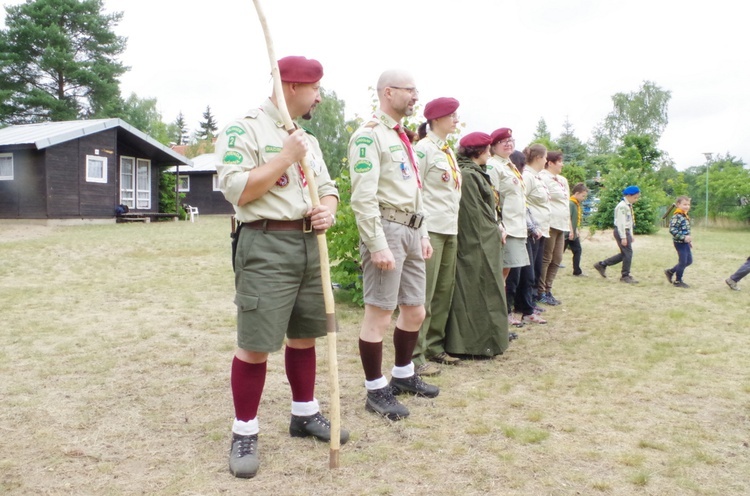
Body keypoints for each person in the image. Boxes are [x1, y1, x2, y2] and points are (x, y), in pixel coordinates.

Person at [215, 55, 348, 479]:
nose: (319, 97)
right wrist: (285, 158)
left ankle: (304, 413)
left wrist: (327, 209)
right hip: (265, 244)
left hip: (310, 244)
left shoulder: (306, 136)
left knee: (305, 334)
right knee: (255, 343)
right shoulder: (244, 128)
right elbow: (237, 190)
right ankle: (244, 431)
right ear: (291, 86)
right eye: (314, 89)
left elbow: (328, 189)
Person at [348, 69, 438, 421]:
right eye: (410, 90)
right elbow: (363, 197)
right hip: (387, 229)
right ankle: (375, 389)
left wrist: (425, 233)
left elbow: (414, 190)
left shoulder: (403, 137)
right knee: (380, 313)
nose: (416, 97)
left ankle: (403, 375)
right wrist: (376, 243)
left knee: (415, 310)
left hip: (413, 230)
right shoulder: (369, 136)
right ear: (388, 92)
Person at [444, 132, 510, 357]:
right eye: (488, 149)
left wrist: (497, 226)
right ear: (479, 151)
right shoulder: (470, 175)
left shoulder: (476, 173)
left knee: (484, 288)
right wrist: (492, 233)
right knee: (475, 290)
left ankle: (487, 339)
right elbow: (474, 216)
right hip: (476, 243)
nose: (490, 153)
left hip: (483, 239)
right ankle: (474, 343)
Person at [411, 97, 462, 377]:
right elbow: (414, 190)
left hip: (450, 228)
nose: (456, 120)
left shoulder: (446, 151)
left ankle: (434, 346)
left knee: (443, 292)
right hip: (430, 230)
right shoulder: (423, 149)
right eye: (452, 115)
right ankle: (415, 354)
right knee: (424, 294)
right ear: (436, 119)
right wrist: (421, 231)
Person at [486, 128, 530, 327]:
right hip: (506, 228)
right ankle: (500, 317)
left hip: (517, 227)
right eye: (503, 141)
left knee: (507, 275)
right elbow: (491, 198)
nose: (508, 144)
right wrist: (499, 225)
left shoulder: (509, 165)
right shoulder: (494, 166)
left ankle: (502, 316)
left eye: (511, 140)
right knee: (501, 276)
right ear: (493, 146)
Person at [509, 150, 546, 325]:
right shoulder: (515, 179)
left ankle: (527, 310)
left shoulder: (521, 180)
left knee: (529, 275)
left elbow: (525, 208)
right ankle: (512, 312)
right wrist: (532, 227)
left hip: (527, 233)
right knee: (514, 277)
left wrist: (534, 227)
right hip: (514, 233)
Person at [537, 151, 571, 305]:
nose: (562, 164)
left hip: (561, 223)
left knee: (557, 258)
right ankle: (540, 291)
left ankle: (548, 289)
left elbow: (566, 203)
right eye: (559, 161)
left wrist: (570, 224)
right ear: (550, 162)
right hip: (550, 223)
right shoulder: (542, 177)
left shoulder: (562, 180)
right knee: (546, 258)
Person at [593, 185, 641, 283]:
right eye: (635, 197)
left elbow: (630, 221)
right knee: (628, 254)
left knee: (625, 254)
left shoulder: (628, 206)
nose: (636, 200)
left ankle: (602, 264)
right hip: (621, 231)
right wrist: (623, 237)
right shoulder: (622, 206)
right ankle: (625, 276)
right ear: (628, 196)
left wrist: (631, 234)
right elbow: (621, 223)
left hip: (626, 231)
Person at [664, 196, 693, 288]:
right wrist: (683, 237)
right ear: (678, 205)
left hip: (685, 243)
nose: (687, 206)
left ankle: (670, 271)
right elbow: (672, 229)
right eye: (684, 204)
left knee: (689, 261)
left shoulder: (684, 215)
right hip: (679, 243)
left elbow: (686, 230)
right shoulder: (677, 216)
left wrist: (688, 241)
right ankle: (678, 281)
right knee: (683, 261)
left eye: (688, 204)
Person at [565, 183, 589, 276]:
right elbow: (568, 218)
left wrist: (576, 230)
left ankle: (577, 271)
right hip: (567, 233)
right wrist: (571, 230)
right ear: (577, 193)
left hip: (573, 233)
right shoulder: (570, 203)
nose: (584, 198)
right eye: (583, 196)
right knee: (558, 252)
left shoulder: (576, 204)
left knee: (578, 250)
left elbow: (575, 219)